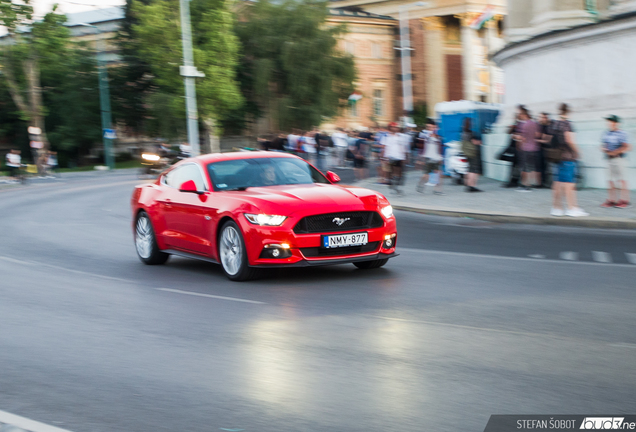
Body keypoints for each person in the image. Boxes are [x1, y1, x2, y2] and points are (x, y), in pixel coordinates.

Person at [549, 103, 589, 217]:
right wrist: (577, 151)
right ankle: (572, 208)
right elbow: (569, 139)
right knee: (569, 184)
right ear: (568, 112)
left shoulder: (554, 124)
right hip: (567, 156)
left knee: (557, 183)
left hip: (557, 156)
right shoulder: (567, 124)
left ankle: (556, 208)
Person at [600, 115, 631, 208]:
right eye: (608, 121)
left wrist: (616, 152)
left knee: (621, 180)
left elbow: (627, 146)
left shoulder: (622, 133)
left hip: (619, 159)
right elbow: (604, 145)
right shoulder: (606, 133)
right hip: (609, 159)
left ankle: (624, 200)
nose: (609, 123)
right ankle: (611, 200)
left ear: (616, 123)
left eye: (611, 121)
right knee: (610, 180)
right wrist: (603, 148)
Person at [514, 106, 540, 191]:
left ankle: (526, 184)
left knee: (525, 167)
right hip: (534, 147)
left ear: (523, 114)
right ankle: (532, 183)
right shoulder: (534, 123)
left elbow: (523, 138)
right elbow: (537, 135)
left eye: (520, 114)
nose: (519, 115)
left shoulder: (525, 125)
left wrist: (516, 137)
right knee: (532, 166)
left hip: (526, 148)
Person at [416, 119, 444, 195]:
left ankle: (437, 190)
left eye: (433, 127)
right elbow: (420, 146)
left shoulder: (438, 136)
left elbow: (440, 147)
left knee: (439, 174)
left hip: (436, 157)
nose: (431, 128)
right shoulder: (424, 134)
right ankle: (420, 184)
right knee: (426, 175)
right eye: (429, 127)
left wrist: (441, 157)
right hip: (428, 157)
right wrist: (420, 158)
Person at [381, 122, 410, 194]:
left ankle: (394, 187)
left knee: (399, 173)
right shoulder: (386, 136)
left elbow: (404, 147)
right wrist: (384, 158)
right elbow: (384, 147)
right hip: (390, 156)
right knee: (392, 172)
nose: (395, 128)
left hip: (399, 157)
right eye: (393, 127)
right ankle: (394, 188)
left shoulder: (401, 137)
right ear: (390, 128)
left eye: (396, 127)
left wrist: (405, 156)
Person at [461, 117, 483, 192]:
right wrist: (480, 142)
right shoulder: (469, 132)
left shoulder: (463, 132)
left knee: (470, 168)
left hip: (467, 153)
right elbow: (473, 142)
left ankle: (468, 185)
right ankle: (472, 186)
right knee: (474, 170)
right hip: (473, 153)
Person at [536, 112, 553, 188]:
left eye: (543, 117)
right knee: (541, 167)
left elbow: (547, 139)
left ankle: (546, 183)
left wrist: (537, 140)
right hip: (540, 149)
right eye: (541, 117)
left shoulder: (549, 127)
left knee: (546, 167)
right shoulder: (540, 126)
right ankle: (541, 183)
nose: (542, 119)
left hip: (548, 149)